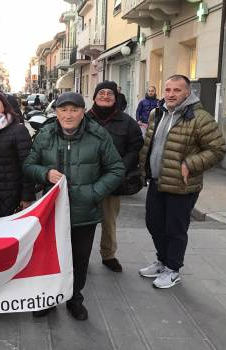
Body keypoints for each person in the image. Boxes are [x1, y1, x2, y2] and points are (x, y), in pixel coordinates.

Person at [23, 92, 125, 321]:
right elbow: (29, 164)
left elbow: (116, 168)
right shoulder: (46, 134)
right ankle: (47, 298)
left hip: (84, 211)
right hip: (52, 210)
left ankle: (74, 298)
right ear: (56, 112)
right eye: (63, 110)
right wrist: (45, 173)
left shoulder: (98, 135)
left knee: (79, 258)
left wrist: (94, 193)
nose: (68, 115)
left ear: (82, 112)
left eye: (74, 110)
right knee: (49, 256)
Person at [138, 75, 226, 289]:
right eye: (168, 89)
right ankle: (162, 261)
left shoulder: (200, 117)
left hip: (183, 185)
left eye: (177, 90)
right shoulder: (156, 113)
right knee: (154, 223)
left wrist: (190, 164)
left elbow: (217, 149)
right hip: (157, 181)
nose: (171, 94)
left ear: (187, 93)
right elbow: (151, 144)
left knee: (175, 229)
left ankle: (173, 269)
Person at [87, 81, 143, 273]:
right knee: (82, 222)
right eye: (100, 92)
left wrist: (119, 169)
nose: (105, 96)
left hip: (112, 181)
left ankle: (108, 254)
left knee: (109, 221)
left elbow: (135, 148)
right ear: (94, 97)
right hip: (85, 180)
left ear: (116, 97)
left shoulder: (127, 122)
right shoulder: (84, 119)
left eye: (109, 93)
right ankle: (81, 255)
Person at [0, 91, 35, 217]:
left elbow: (28, 165)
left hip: (13, 197)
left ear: (4, 106)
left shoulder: (18, 130)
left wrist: (27, 197)